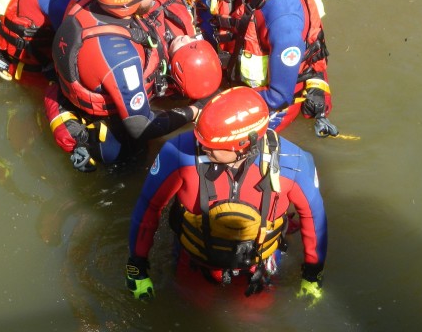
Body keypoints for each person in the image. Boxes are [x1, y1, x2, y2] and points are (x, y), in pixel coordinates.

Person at [126, 86, 327, 303]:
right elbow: (148, 208)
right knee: (192, 311)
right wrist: (137, 268)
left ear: (242, 146)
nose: (199, 147)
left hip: (258, 269)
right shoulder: (177, 152)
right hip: (194, 263)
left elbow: (315, 219)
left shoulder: (295, 163)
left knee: (254, 320)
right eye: (199, 139)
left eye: (209, 146)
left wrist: (312, 275)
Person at [46, 0, 221, 171]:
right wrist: (195, 110)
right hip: (113, 122)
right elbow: (141, 126)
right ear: (126, 3)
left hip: (82, 79)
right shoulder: (120, 57)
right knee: (132, 161)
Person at [209, 0, 338, 136]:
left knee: (213, 134)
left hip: (274, 100)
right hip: (240, 83)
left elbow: (279, 96)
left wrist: (219, 106)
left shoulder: (282, 19)